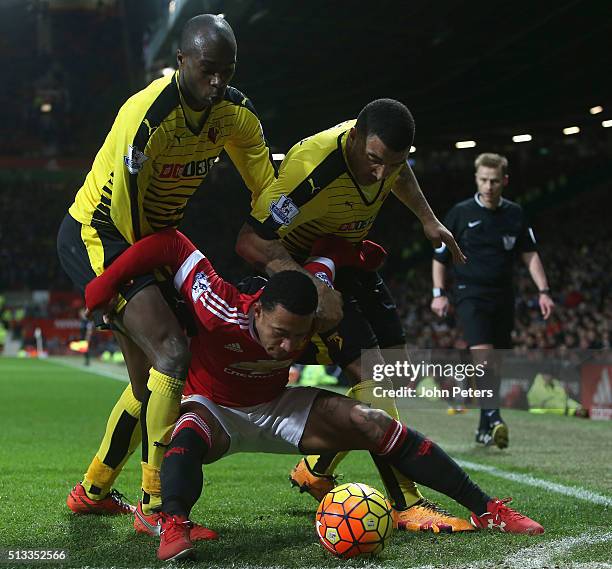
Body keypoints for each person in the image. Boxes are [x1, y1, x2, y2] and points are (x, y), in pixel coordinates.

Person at [83, 228, 544, 562]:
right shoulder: (216, 302)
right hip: (214, 409)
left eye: (297, 338)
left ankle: (487, 509)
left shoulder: (315, 311)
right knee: (183, 435)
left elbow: (325, 255)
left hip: (277, 405)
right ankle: (174, 523)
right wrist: (100, 288)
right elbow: (169, 243)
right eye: (280, 333)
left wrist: (357, 254)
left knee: (371, 421)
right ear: (258, 309)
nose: (289, 346)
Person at [57, 13, 277, 522]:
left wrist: (274, 242)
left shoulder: (235, 114)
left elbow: (266, 185)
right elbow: (127, 216)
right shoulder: (148, 115)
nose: (218, 81)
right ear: (180, 63)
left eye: (227, 69)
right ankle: (155, 503)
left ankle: (92, 491)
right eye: (207, 69)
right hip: (104, 234)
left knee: (150, 384)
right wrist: (112, 287)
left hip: (155, 239)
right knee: (171, 356)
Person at [234, 98, 470, 532]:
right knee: (369, 374)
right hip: (306, 266)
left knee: (394, 370)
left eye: (393, 163)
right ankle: (407, 504)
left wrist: (427, 219)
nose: (381, 173)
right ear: (356, 137)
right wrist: (310, 286)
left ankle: (315, 471)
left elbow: (399, 173)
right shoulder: (310, 169)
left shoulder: (385, 157)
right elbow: (250, 241)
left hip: (350, 259)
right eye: (375, 161)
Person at [431, 152, 555, 448]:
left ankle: (485, 426)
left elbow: (530, 254)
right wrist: (438, 293)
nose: (488, 186)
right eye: (483, 180)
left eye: (494, 181)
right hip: (470, 293)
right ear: (476, 179)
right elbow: (439, 257)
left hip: (504, 296)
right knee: (483, 357)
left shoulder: (515, 214)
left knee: (495, 364)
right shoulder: (459, 214)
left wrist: (544, 291)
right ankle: (496, 417)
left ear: (505, 181)